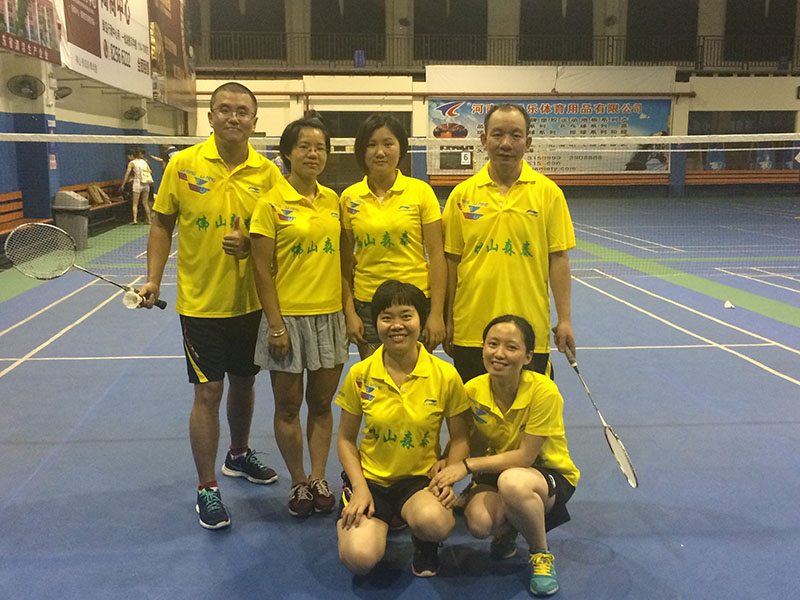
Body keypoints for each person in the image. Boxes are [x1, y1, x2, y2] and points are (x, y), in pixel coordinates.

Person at [139, 82, 281, 530]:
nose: (233, 117)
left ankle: (238, 454)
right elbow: (161, 223)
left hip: (252, 302)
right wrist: (153, 278)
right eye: (224, 109)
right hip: (200, 303)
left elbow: (282, 233)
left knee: (245, 382)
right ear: (211, 117)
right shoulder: (183, 165)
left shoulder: (269, 173)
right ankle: (206, 487)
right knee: (208, 391)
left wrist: (251, 245)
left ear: (254, 120)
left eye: (242, 111)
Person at [429, 314, 579, 596]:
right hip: (496, 472)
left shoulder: (544, 392)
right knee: (479, 523)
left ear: (527, 357)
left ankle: (541, 554)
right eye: (492, 344)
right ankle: (510, 530)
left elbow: (524, 458)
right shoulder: (472, 390)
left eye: (511, 347)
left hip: (546, 475)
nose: (499, 353)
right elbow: (463, 438)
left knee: (513, 483)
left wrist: (466, 466)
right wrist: (447, 464)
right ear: (483, 348)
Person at [336, 280, 471, 578]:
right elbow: (345, 439)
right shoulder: (360, 374)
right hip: (371, 480)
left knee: (436, 523)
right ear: (377, 323)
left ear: (421, 320)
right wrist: (359, 488)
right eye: (387, 317)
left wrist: (448, 476)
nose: (397, 325)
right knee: (359, 558)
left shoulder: (445, 375)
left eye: (406, 316)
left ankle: (424, 542)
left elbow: (461, 437)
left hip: (419, 480)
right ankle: (376, 517)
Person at [249, 116, 347, 518]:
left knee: (322, 404)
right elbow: (261, 270)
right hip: (287, 319)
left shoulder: (334, 200)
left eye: (320, 147)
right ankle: (298, 480)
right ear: (287, 153)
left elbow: (345, 263)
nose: (313, 154)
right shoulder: (270, 203)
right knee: (288, 407)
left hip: (329, 317)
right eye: (304, 146)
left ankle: (319, 477)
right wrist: (275, 325)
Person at [442, 103, 576, 383]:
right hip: (472, 330)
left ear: (528, 142)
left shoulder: (549, 194)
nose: (506, 143)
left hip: (528, 332)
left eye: (515, 135)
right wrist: (448, 319)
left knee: (527, 409)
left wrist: (564, 319)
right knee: (474, 408)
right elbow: (451, 262)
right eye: (497, 134)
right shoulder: (461, 195)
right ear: (484, 139)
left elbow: (558, 259)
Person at [340, 113, 446, 358]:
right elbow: (344, 264)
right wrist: (350, 312)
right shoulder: (349, 198)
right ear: (361, 151)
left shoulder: (421, 192)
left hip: (415, 303)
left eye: (388, 143)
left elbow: (437, 257)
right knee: (375, 377)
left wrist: (436, 313)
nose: (380, 152)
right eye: (371, 144)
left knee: (417, 377)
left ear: (401, 148)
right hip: (368, 306)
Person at [121, 148, 153, 224]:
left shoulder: (132, 163)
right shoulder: (144, 161)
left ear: (131, 155)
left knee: (135, 203)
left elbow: (127, 174)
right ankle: (149, 220)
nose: (128, 157)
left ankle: (135, 220)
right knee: (145, 203)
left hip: (137, 184)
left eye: (128, 156)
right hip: (146, 183)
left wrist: (123, 184)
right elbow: (150, 171)